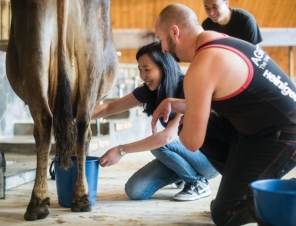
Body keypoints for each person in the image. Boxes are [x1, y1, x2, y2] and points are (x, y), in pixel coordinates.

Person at [153, 4, 296, 226]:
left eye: (160, 39)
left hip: (283, 134)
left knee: (226, 213)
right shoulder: (217, 39)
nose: (162, 49)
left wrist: (174, 124)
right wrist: (175, 103)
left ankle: (269, 194)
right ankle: (239, 184)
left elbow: (191, 143)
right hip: (254, 126)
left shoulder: (201, 67)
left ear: (174, 32)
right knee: (203, 123)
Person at [92, 42, 218, 201]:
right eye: (140, 69)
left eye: (147, 69)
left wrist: (121, 150)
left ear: (163, 67)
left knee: (160, 143)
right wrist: (71, 118)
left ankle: (197, 182)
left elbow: (167, 138)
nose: (142, 76)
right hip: (185, 155)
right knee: (135, 190)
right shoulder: (149, 91)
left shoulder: (186, 88)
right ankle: (184, 175)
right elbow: (107, 108)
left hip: (209, 160)